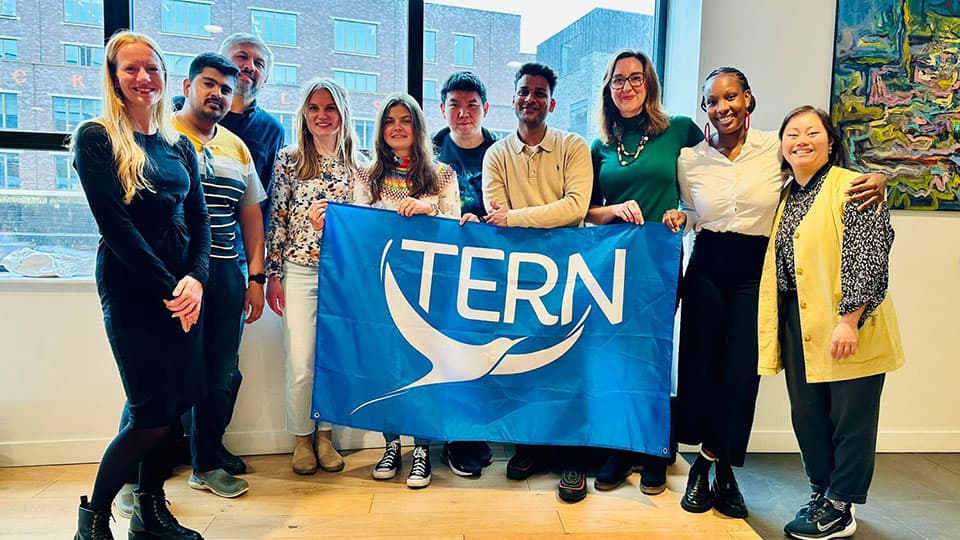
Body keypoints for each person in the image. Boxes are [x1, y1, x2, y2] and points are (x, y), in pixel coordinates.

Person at [672, 67, 889, 519]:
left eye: (731, 96)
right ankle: (698, 468)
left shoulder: (776, 147)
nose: (722, 107)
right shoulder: (690, 158)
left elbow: (822, 167)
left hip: (756, 271)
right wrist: (680, 218)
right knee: (700, 371)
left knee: (741, 377)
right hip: (707, 267)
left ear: (748, 99)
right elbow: (691, 211)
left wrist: (881, 178)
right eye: (712, 101)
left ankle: (721, 468)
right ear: (704, 109)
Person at [72, 30, 208, 540]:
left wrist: (196, 279)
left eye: (150, 67)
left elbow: (201, 220)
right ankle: (94, 519)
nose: (142, 77)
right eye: (130, 68)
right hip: (133, 290)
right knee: (150, 413)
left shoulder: (178, 145)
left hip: (185, 290)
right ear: (113, 77)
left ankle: (149, 514)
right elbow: (118, 230)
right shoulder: (96, 138)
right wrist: (172, 289)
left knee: (175, 409)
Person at [759, 106, 903, 540]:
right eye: (792, 133)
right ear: (782, 146)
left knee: (850, 418)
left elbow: (870, 253)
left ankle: (842, 505)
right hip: (800, 322)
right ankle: (822, 492)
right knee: (809, 415)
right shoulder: (790, 194)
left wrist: (849, 319)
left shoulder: (852, 185)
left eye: (812, 132)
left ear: (830, 141)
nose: (802, 140)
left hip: (847, 325)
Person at [585, 49, 703, 497]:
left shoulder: (679, 131)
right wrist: (612, 209)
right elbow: (588, 212)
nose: (627, 87)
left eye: (636, 78)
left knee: (654, 354)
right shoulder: (599, 146)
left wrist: (681, 212)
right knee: (617, 354)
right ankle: (620, 446)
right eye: (618, 80)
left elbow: (710, 181)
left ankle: (655, 449)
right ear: (608, 89)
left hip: (660, 260)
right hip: (613, 265)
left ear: (649, 84)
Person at [482, 62, 593, 503]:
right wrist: (516, 220)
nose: (531, 98)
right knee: (525, 360)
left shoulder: (573, 146)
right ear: (513, 99)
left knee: (569, 363)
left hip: (570, 272)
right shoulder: (496, 154)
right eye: (524, 91)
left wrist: (517, 217)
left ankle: (572, 459)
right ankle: (530, 446)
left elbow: (575, 207)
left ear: (552, 102)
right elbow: (498, 218)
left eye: (540, 92)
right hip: (519, 276)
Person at [351, 92, 460, 489]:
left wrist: (430, 210)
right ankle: (391, 445)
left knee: (423, 367)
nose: (397, 127)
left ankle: (421, 453)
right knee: (386, 368)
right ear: (381, 130)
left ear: (418, 126)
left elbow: (457, 229)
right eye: (389, 121)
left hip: (429, 288)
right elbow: (357, 228)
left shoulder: (443, 175)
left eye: (405, 120)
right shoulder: (367, 175)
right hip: (381, 286)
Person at [172, 52, 267, 499]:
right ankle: (135, 475)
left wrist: (255, 277)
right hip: (173, 273)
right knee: (164, 372)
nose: (218, 94)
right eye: (209, 84)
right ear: (188, 85)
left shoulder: (236, 146)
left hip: (227, 273)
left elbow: (251, 215)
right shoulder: (161, 134)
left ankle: (205, 463)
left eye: (226, 89)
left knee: (222, 374)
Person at [265, 77, 362, 476]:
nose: (322, 116)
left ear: (342, 113)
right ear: (304, 114)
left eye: (330, 108)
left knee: (334, 358)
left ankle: (326, 436)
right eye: (314, 108)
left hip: (344, 276)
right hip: (300, 269)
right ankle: (302, 438)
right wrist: (272, 273)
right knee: (302, 360)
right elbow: (278, 217)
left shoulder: (361, 164)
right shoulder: (289, 159)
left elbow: (367, 220)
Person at [431, 70, 498, 477]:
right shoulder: (430, 149)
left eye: (472, 104)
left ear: (485, 109)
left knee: (485, 352)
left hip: (490, 266)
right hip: (444, 269)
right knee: (451, 352)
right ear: (443, 109)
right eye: (454, 104)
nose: (463, 113)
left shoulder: (503, 149)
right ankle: (455, 438)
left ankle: (477, 432)